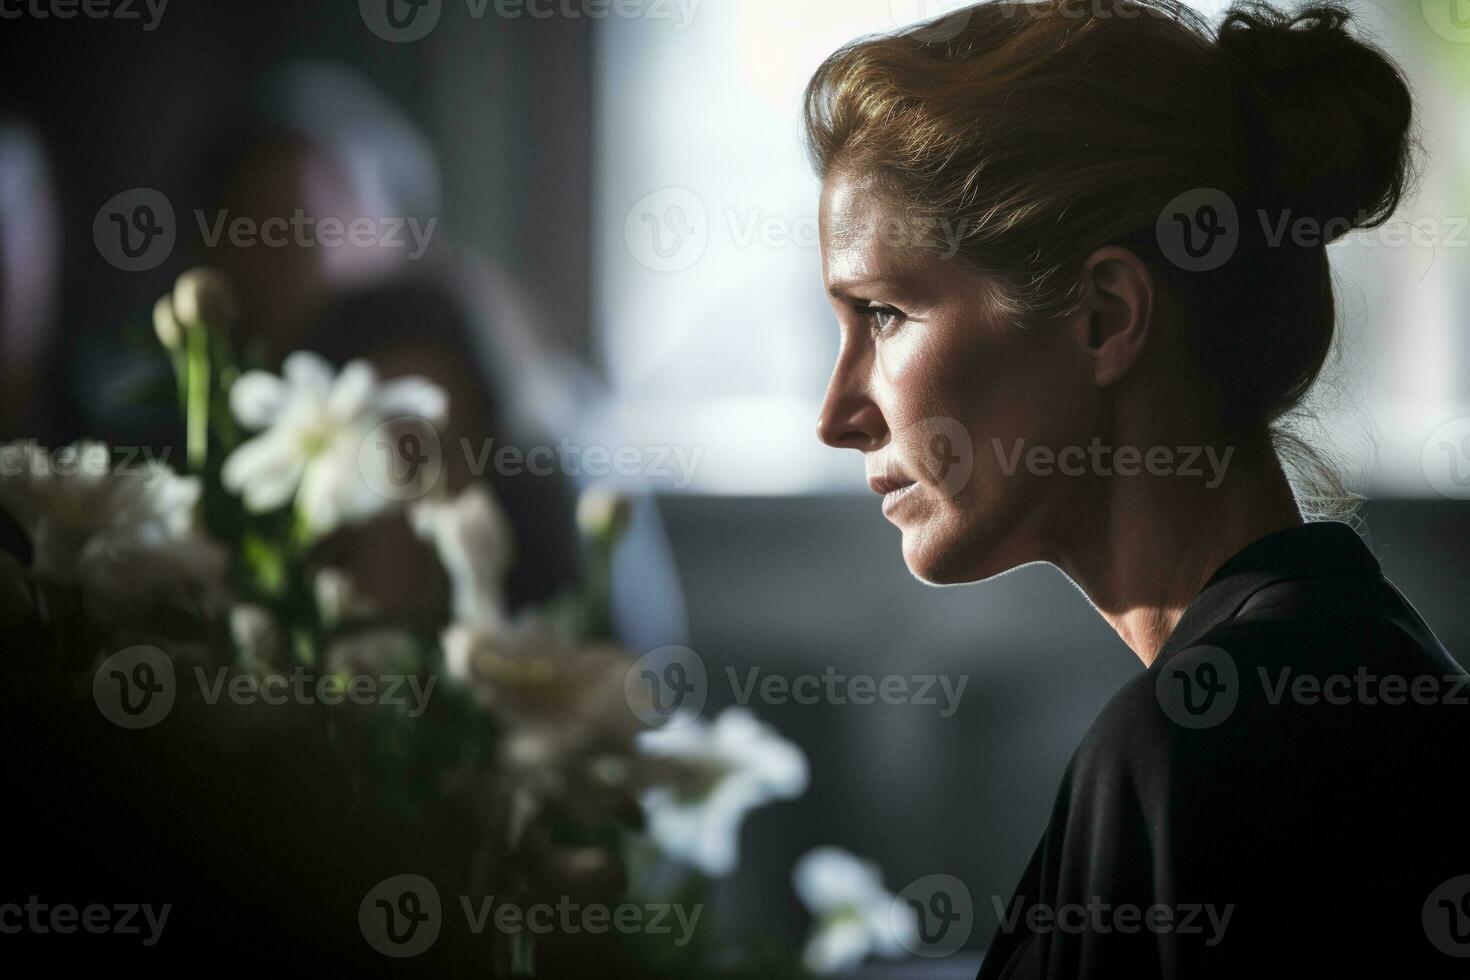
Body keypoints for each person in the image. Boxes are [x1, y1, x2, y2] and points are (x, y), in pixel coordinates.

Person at [806, 1, 1467, 975]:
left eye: (885, 312)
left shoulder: (1188, 755)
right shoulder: (1364, 675)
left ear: (1106, 316)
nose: (837, 413)